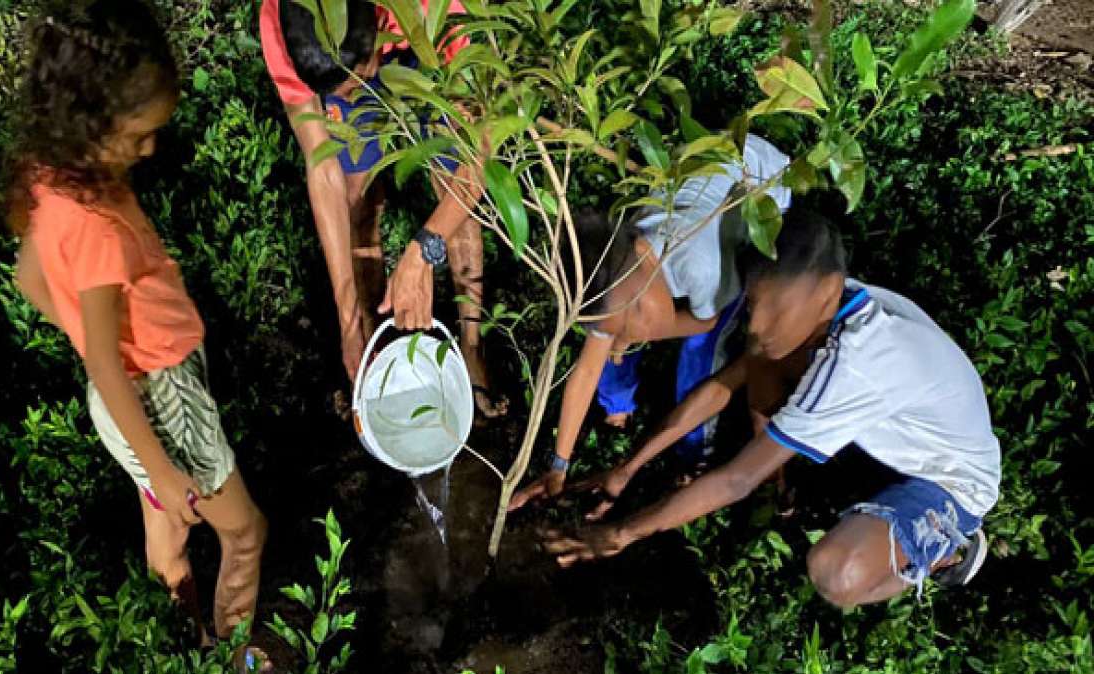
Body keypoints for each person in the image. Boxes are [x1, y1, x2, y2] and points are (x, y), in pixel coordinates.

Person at [542, 208, 1001, 608]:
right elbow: (721, 387)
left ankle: (946, 550)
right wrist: (628, 467)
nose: (757, 325)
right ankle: (804, 473)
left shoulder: (858, 360)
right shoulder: (824, 311)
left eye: (772, 310)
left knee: (836, 574)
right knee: (763, 362)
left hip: (951, 480)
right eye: (755, 306)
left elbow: (737, 479)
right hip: (894, 440)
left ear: (829, 290)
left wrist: (622, 534)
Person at [5, 2, 271, 669]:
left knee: (167, 529)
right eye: (139, 135)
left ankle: (189, 645)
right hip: (161, 392)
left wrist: (106, 361)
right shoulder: (94, 225)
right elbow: (99, 352)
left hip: (127, 397)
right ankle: (234, 651)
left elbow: (28, 279)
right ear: (91, 121)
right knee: (245, 531)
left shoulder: (50, 175)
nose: (150, 148)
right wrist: (159, 457)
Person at [510, 133, 792, 509]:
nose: (638, 331)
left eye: (636, 314)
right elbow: (587, 366)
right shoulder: (613, 268)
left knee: (701, 350)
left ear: (642, 278)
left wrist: (646, 331)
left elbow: (702, 324)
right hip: (703, 170)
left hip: (762, 185)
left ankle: (695, 449)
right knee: (611, 341)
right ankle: (617, 408)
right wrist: (558, 466)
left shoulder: (703, 268)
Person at [259, 0, 507, 417]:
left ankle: (470, 344)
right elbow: (323, 170)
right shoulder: (281, 24)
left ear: (376, 22)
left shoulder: (440, 8)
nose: (352, 92)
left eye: (355, 81)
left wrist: (424, 250)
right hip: (361, 49)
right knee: (355, 193)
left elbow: (476, 157)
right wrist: (348, 322)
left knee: (452, 183)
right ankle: (371, 341)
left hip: (425, 45)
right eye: (338, 91)